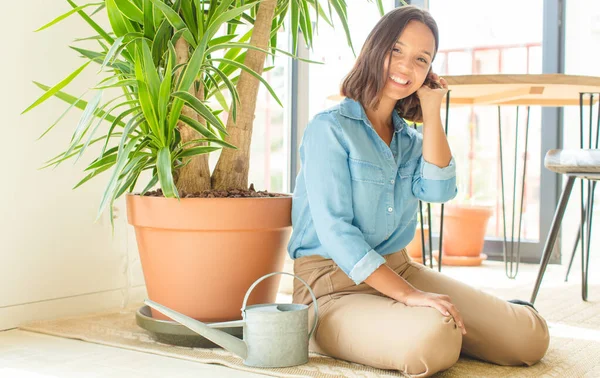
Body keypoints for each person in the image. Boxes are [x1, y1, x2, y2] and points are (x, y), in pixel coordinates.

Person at [288, 5, 549, 377]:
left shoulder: (409, 140)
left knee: (528, 338)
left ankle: (465, 319)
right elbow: (335, 232)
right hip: (330, 287)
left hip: (399, 269)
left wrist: (431, 109)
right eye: (396, 50)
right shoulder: (328, 130)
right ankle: (352, 329)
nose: (406, 66)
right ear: (375, 49)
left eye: (421, 59)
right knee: (433, 340)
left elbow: (440, 190)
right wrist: (410, 297)